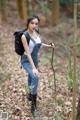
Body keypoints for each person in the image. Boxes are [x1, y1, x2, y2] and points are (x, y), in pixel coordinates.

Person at [21, 15, 55, 116]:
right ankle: (33, 107)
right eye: (32, 23)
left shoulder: (36, 32)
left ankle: (30, 95)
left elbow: (39, 43)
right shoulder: (24, 36)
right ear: (28, 23)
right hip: (27, 60)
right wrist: (34, 68)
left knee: (31, 76)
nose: (34, 25)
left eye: (36, 23)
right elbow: (27, 53)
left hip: (35, 60)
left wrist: (48, 46)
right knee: (35, 76)